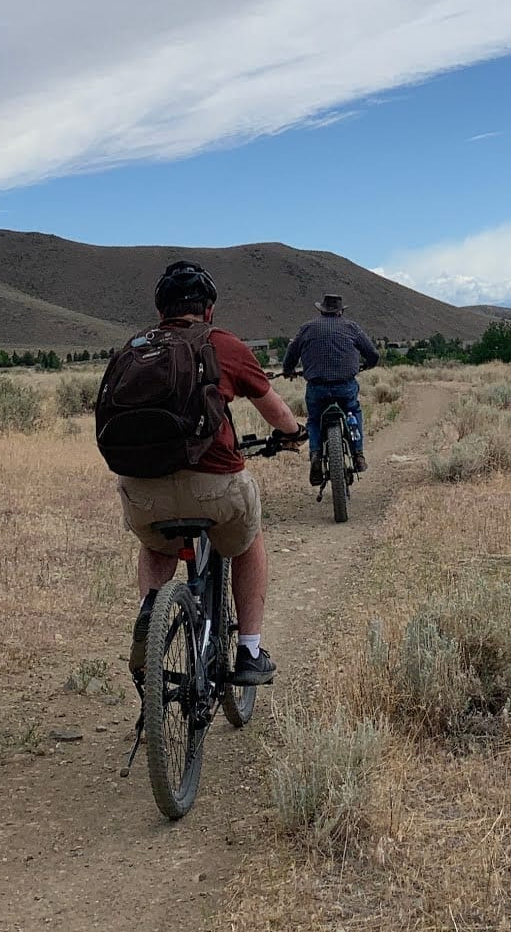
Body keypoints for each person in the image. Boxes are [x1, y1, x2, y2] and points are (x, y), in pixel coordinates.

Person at [120, 261, 304, 688]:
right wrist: (293, 434)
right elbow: (275, 411)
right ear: (209, 310)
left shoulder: (134, 348)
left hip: (142, 489)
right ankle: (250, 651)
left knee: (156, 542)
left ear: (161, 309)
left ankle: (152, 613)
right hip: (214, 486)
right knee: (249, 538)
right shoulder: (223, 345)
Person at [282, 293, 379, 483]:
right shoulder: (351, 327)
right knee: (353, 411)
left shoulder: (307, 328)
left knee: (314, 420)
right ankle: (358, 454)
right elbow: (373, 354)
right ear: (340, 311)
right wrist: (368, 365)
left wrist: (288, 370)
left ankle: (316, 454)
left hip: (317, 388)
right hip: (345, 387)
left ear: (321, 310)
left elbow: (291, 353)